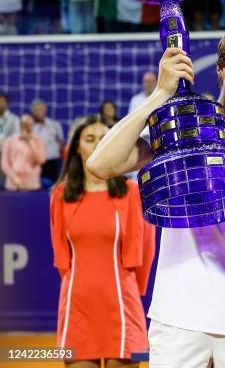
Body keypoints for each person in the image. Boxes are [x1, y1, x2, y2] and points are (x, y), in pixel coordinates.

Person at [87, 23, 225, 368]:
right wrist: (159, 95)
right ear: (222, 69)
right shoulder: (179, 133)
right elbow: (100, 164)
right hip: (178, 317)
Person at [50, 114, 155, 368]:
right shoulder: (61, 195)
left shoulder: (131, 193)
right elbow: (62, 258)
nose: (98, 143)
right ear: (76, 147)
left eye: (104, 138)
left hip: (121, 305)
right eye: (90, 139)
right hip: (77, 306)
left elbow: (145, 252)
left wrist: (132, 291)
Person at [1, 114, 45, 191]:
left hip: (32, 185)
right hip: (12, 185)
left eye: (29, 124)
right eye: (24, 124)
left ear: (32, 125)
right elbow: (5, 164)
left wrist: (30, 143)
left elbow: (41, 160)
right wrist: (17, 181)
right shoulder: (9, 141)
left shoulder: (38, 141)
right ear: (20, 125)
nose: (27, 127)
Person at [31, 99, 64, 184]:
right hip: (39, 162)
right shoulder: (31, 128)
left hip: (54, 160)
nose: (39, 112)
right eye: (36, 110)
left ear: (45, 109)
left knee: (57, 184)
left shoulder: (55, 125)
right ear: (33, 112)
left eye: (41, 109)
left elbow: (61, 142)